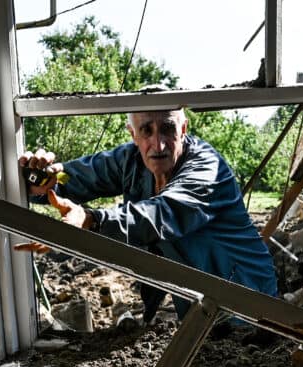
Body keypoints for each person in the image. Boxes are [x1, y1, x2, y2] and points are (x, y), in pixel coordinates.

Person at [19, 103, 278, 323]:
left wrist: (92, 219)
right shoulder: (130, 160)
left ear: (183, 129)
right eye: (146, 130)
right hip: (202, 304)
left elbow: (162, 215)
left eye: (168, 129)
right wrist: (40, 178)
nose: (159, 143)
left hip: (248, 303)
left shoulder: (207, 169)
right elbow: (72, 180)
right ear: (133, 134)